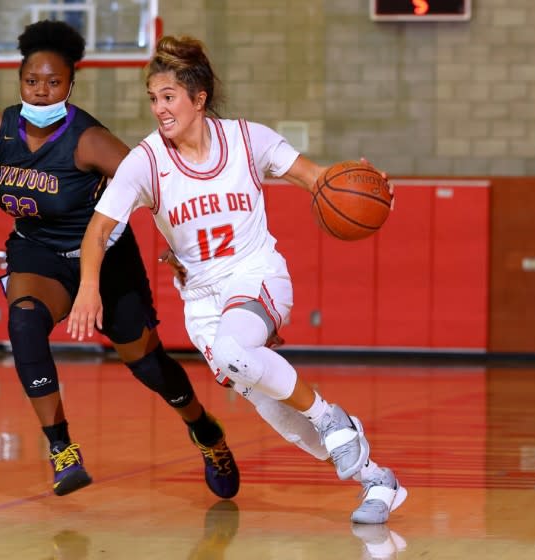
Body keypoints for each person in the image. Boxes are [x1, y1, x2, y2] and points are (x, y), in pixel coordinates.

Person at [0, 21, 240, 500]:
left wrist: (178, 245)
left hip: (105, 257)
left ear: (70, 85)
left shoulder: (89, 140)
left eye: (53, 82)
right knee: (24, 323)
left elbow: (158, 185)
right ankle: (62, 449)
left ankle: (204, 429)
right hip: (38, 253)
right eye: (32, 81)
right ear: (20, 82)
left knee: (147, 364)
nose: (41, 91)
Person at [67, 35, 407, 524]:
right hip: (202, 303)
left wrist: (368, 185)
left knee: (244, 359)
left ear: (198, 98)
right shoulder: (146, 161)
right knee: (281, 415)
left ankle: (332, 417)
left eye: (168, 98)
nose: (159, 109)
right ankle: (378, 480)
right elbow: (99, 230)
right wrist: (88, 287)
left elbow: (318, 179)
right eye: (153, 99)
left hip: (257, 275)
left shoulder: (249, 139)